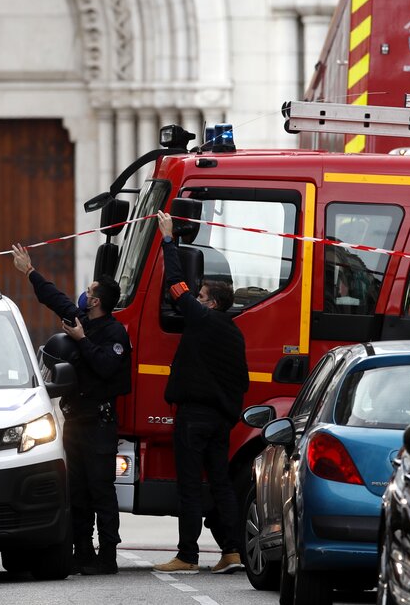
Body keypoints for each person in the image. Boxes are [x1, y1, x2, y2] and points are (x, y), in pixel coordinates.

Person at [11, 243, 131, 575]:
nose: (82, 294)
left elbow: (107, 366)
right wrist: (30, 271)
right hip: (76, 421)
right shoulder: (80, 320)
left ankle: (107, 556)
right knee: (76, 492)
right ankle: (83, 553)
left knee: (101, 491)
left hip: (100, 423)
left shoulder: (114, 332)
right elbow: (54, 298)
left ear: (96, 301)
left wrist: (81, 340)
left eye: (89, 291)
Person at [151, 210, 248, 575]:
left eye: (201, 295)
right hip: (220, 421)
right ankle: (233, 551)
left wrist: (168, 239)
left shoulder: (202, 319)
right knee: (220, 484)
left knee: (190, 486)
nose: (196, 296)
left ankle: (187, 555)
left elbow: (175, 284)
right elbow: (240, 380)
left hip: (193, 417)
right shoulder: (234, 332)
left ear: (211, 303)